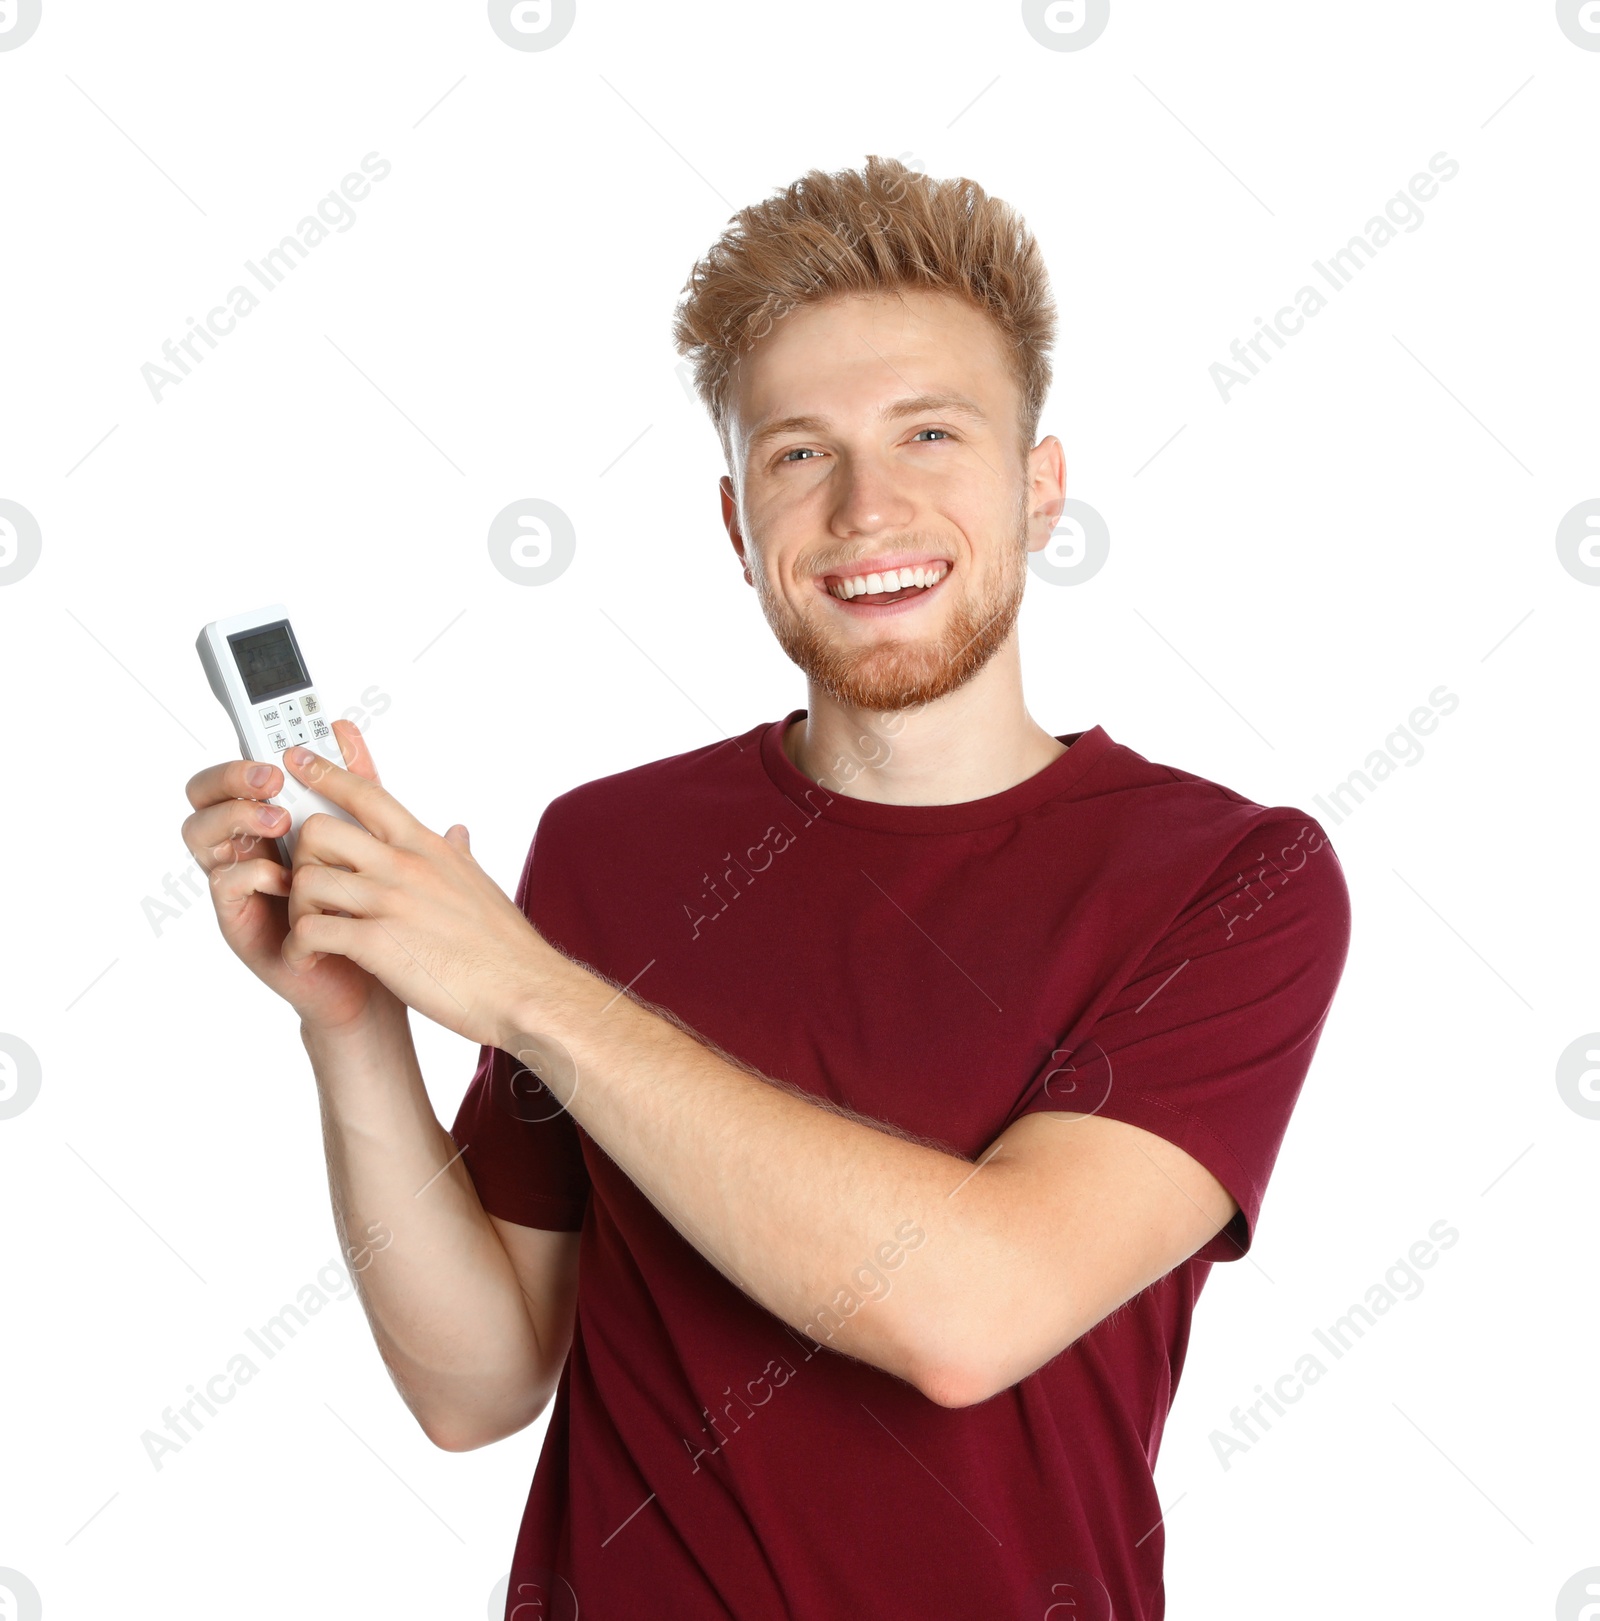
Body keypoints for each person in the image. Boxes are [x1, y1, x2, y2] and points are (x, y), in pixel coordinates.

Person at [181, 155, 1351, 1620]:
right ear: (739, 526)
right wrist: (350, 1016)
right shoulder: (611, 849)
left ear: (1039, 488)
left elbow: (969, 1311)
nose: (869, 506)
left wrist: (531, 989)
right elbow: (476, 1383)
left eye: (931, 431)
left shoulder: (1233, 879)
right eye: (799, 452)